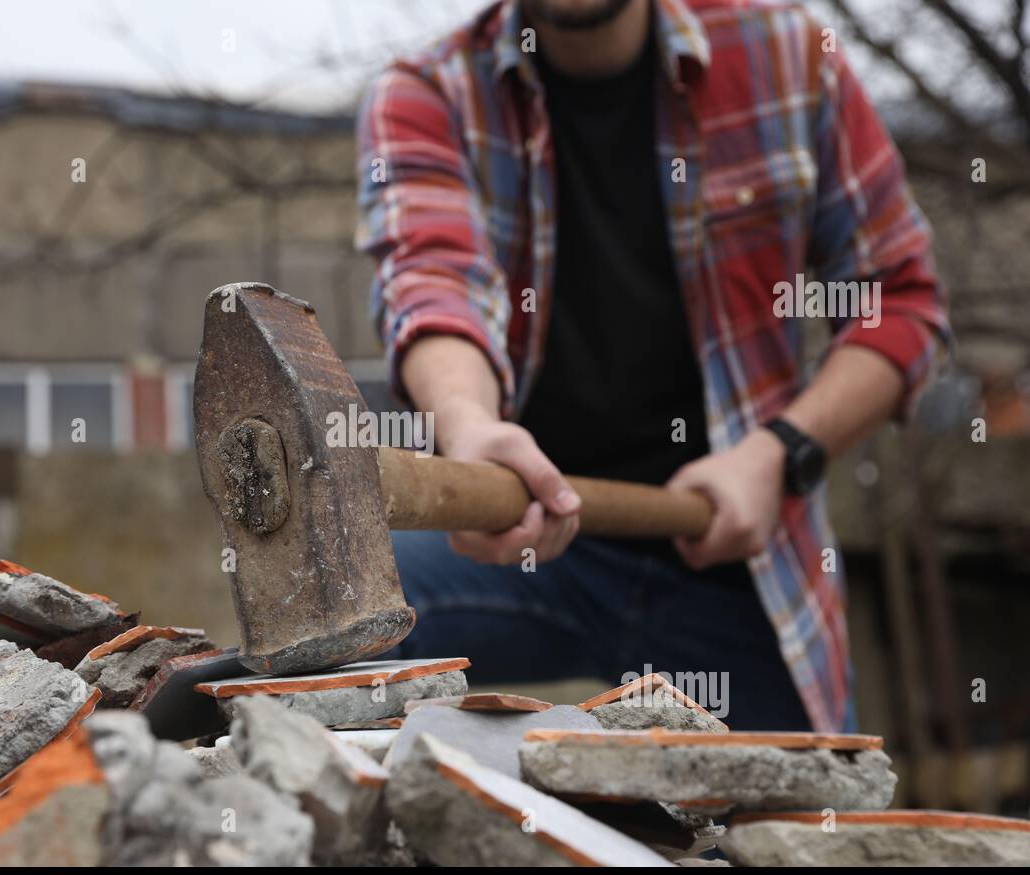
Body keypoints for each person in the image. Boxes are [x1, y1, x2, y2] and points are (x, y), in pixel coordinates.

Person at [355, 0, 950, 731]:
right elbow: (434, 282)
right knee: (353, 605)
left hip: (742, 573)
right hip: (529, 543)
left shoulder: (786, 54)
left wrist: (779, 453)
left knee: (798, 832)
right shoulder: (427, 93)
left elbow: (900, 301)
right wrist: (470, 428)